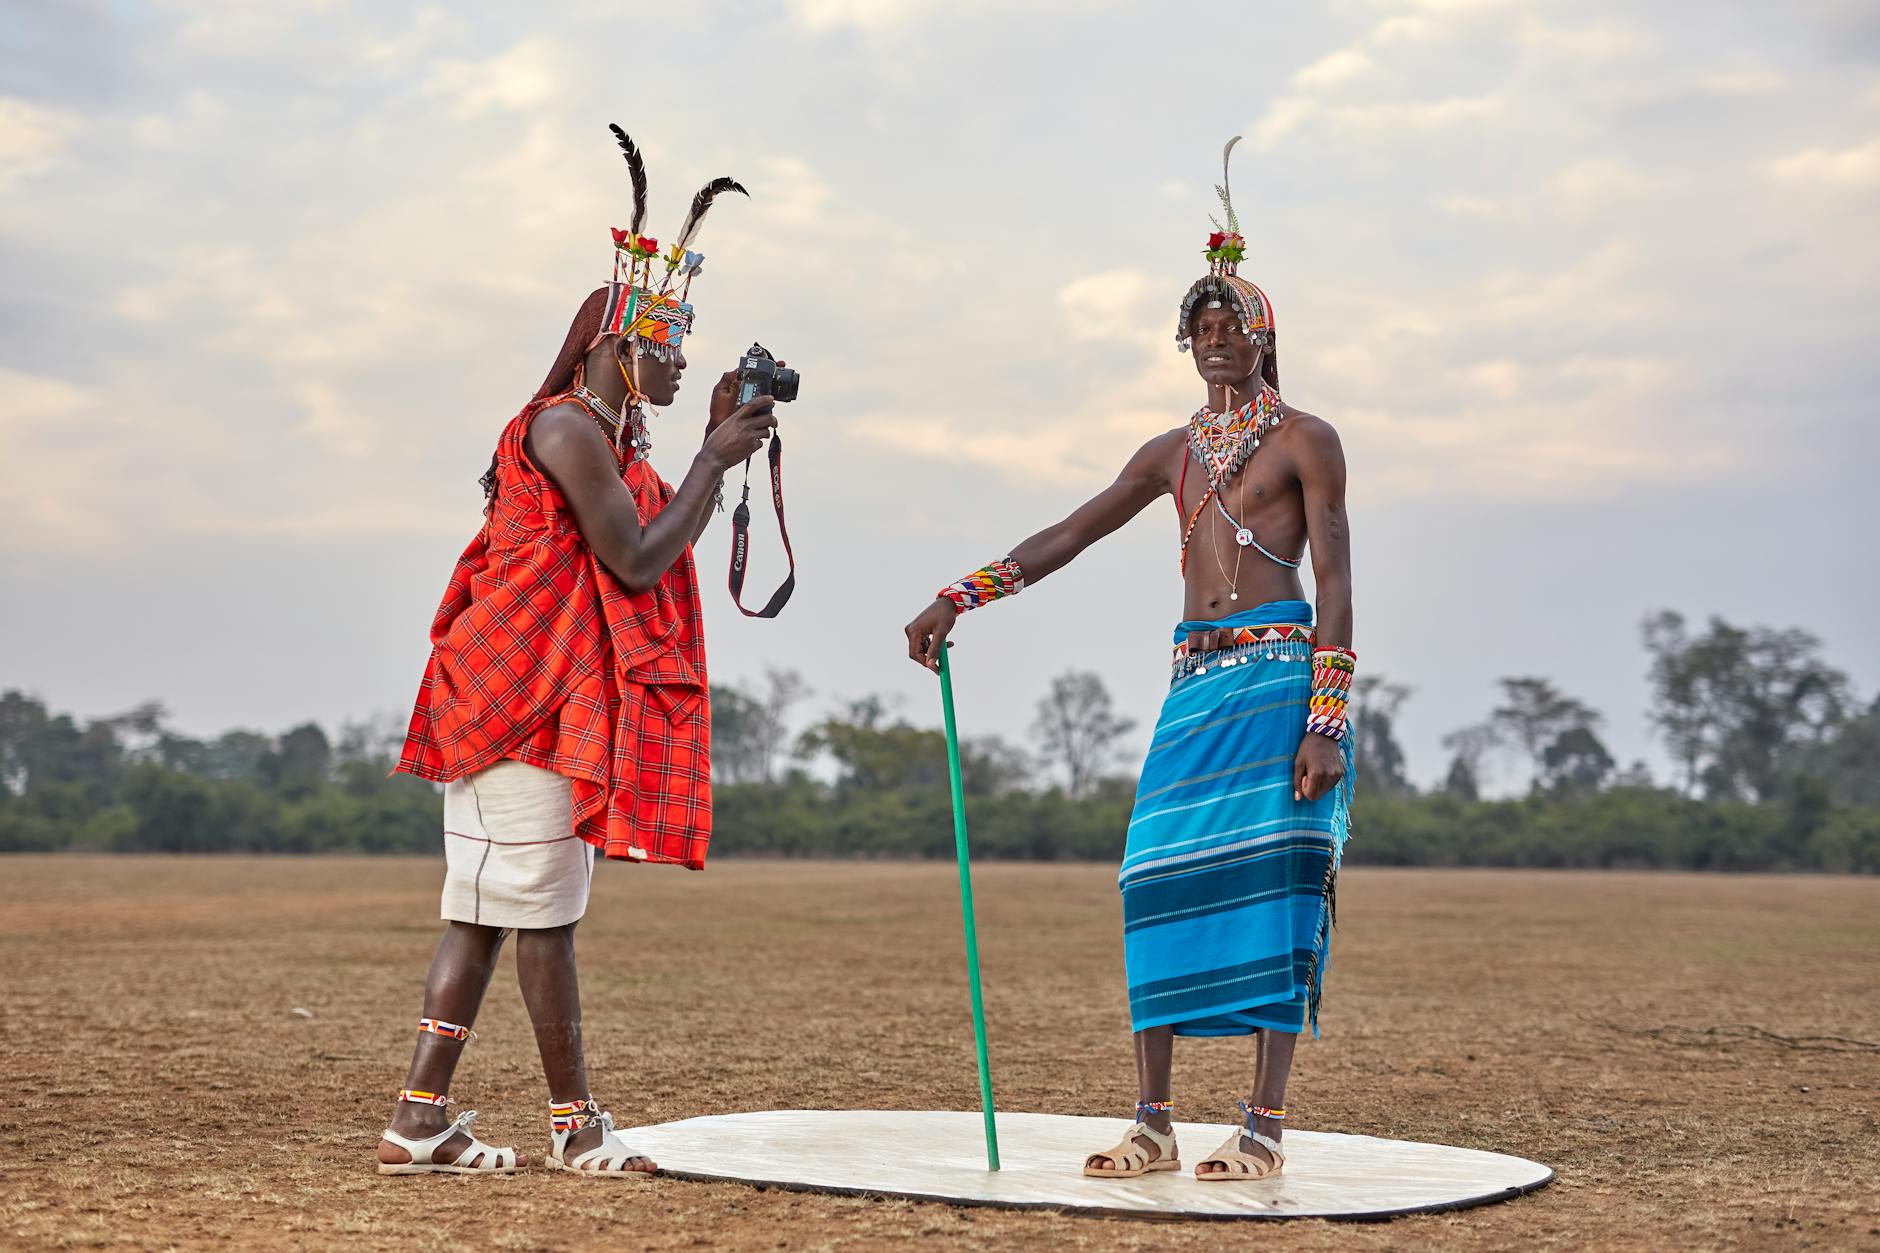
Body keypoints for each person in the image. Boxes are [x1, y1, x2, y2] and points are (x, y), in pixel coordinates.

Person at [902, 138, 1355, 1182]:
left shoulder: (1305, 440)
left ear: (1263, 338)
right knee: (1147, 879)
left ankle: (1260, 1127)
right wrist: (957, 595)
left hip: (1283, 678)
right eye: (1197, 329)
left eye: (1229, 326)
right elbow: (1068, 533)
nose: (1212, 343)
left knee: (1276, 889)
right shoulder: (1168, 451)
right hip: (1192, 688)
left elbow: (1334, 581)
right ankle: (1151, 1121)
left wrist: (1325, 721)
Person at [376, 126, 779, 1178]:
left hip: (503, 700)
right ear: (618, 345)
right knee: (537, 916)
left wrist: (714, 445)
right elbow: (638, 560)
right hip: (524, 704)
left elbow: (651, 531)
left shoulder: (598, 438)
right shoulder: (565, 429)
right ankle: (577, 1126)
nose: (683, 361)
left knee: (482, 910)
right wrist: (707, 456)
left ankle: (420, 1117)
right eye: (671, 345)